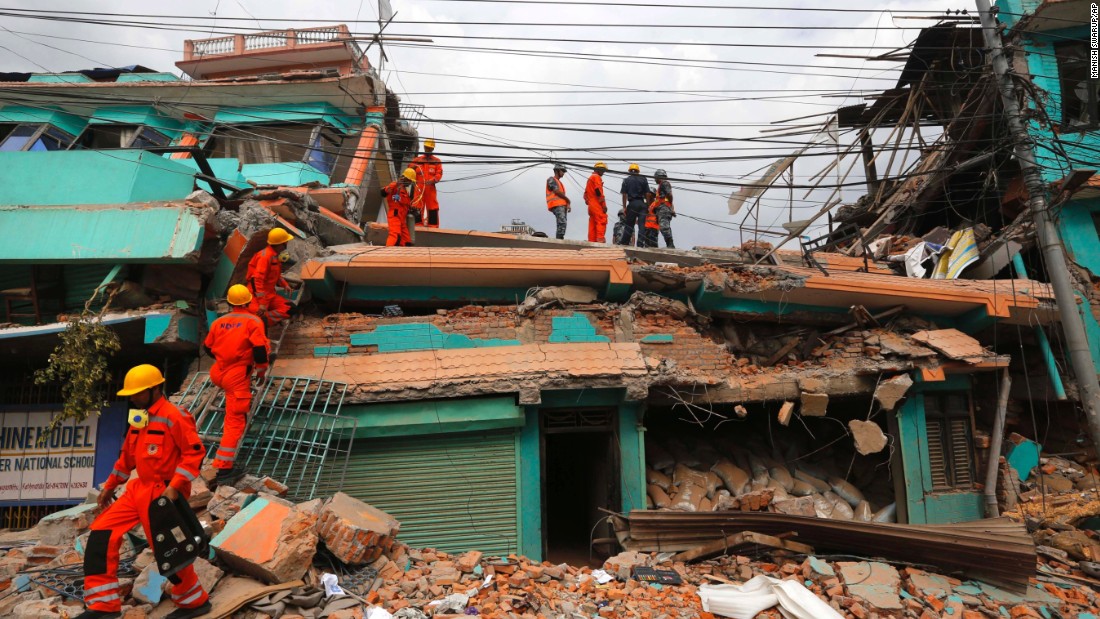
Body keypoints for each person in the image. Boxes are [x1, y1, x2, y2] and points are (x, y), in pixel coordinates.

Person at [78, 364, 209, 619]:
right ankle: (103, 606)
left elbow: (194, 453)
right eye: (132, 394)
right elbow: (127, 458)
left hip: (163, 493)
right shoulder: (140, 418)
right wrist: (109, 487)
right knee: (101, 534)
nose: (134, 398)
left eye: (138, 393)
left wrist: (173, 489)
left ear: (155, 389)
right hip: (138, 489)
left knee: (168, 548)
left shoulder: (174, 415)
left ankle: (194, 602)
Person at [204, 284, 270, 488]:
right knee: (234, 423)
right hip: (237, 375)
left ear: (230, 303)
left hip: (219, 371)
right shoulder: (253, 321)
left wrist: (226, 358)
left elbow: (207, 348)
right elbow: (259, 350)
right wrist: (260, 371)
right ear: (249, 301)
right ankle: (224, 470)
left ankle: (222, 465)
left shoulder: (219, 322)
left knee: (231, 418)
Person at [247, 227, 294, 326]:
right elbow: (256, 280)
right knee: (257, 319)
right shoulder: (265, 257)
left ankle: (266, 318)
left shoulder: (274, 255)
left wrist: (284, 284)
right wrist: (262, 303)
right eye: (286, 241)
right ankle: (263, 319)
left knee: (291, 309)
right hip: (256, 297)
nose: (287, 243)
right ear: (281, 244)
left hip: (269, 295)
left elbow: (275, 275)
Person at [411, 138, 443, 228]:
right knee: (417, 205)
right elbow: (409, 171)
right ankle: (417, 225)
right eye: (427, 148)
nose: (428, 150)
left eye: (430, 148)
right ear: (424, 147)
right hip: (419, 187)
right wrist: (411, 180)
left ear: (433, 149)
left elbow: (439, 173)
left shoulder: (437, 161)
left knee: (432, 206)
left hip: (430, 187)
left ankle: (433, 226)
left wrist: (433, 180)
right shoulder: (417, 160)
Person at [382, 168, 417, 246]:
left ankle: (402, 257)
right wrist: (397, 184)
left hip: (402, 219)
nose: (410, 183)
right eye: (410, 181)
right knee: (395, 236)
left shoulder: (405, 192)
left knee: (407, 241)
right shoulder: (395, 186)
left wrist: (412, 208)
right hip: (395, 216)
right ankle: (387, 254)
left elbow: (405, 205)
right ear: (406, 179)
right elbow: (384, 192)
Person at [617, 163, 650, 246]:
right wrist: (647, 206)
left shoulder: (626, 180)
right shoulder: (643, 179)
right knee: (642, 224)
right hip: (642, 204)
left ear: (630, 171)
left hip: (632, 204)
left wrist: (624, 207)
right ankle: (640, 243)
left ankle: (624, 242)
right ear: (638, 171)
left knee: (629, 224)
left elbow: (624, 194)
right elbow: (648, 193)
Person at [584, 162, 608, 242]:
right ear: (598, 170)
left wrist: (589, 201)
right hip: (596, 204)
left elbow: (585, 195)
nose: (603, 172)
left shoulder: (590, 179)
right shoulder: (596, 177)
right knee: (601, 219)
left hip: (591, 205)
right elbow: (598, 191)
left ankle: (592, 240)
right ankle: (600, 239)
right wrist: (603, 205)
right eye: (602, 170)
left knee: (593, 223)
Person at [652, 169, 676, 248]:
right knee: (664, 227)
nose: (655, 179)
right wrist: (671, 209)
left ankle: (670, 244)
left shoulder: (664, 183)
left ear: (659, 176)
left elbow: (670, 195)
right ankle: (669, 244)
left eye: (655, 177)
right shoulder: (661, 186)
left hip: (664, 208)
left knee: (664, 227)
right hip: (662, 209)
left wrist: (669, 207)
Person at [546, 163, 570, 239]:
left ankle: (559, 238)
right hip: (556, 204)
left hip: (561, 205)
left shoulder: (560, 183)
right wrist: (568, 200)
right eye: (562, 171)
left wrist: (567, 204)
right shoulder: (551, 179)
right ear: (557, 171)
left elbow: (561, 195)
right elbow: (556, 191)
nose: (563, 173)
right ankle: (559, 239)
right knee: (562, 223)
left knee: (562, 224)